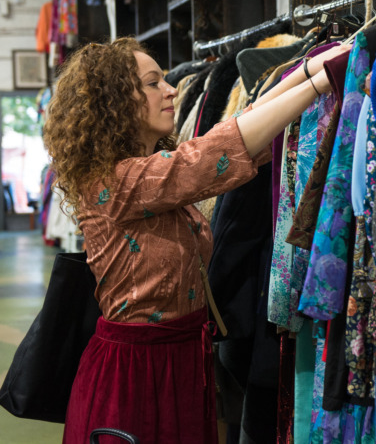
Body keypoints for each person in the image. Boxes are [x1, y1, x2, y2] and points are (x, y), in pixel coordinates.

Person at [42, 37, 349, 443]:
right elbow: (213, 153)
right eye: (153, 84)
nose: (170, 90)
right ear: (114, 103)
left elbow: (236, 126)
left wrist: (310, 69)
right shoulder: (115, 182)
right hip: (135, 370)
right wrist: (319, 79)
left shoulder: (149, 171)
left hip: (182, 359)